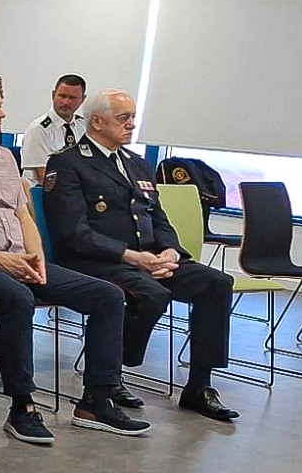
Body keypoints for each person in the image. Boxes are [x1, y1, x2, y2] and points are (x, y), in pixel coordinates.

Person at [0, 78, 150, 443]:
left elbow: (24, 216)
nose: (2, 114)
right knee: (18, 297)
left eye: (0, 106)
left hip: (19, 259)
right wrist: (0, 260)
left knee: (108, 295)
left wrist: (37, 259)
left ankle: (97, 400)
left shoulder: (4, 158)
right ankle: (22, 405)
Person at [44, 89, 240, 423]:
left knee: (216, 283)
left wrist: (170, 251)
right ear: (97, 122)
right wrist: (134, 257)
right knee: (151, 293)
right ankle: (112, 373)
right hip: (100, 262)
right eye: (124, 118)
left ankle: (199, 385)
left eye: (133, 117)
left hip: (149, 259)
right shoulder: (68, 163)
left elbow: (157, 218)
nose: (132, 124)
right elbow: (73, 233)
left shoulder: (136, 164)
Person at [20, 73, 89, 179]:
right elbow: (43, 177)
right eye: (62, 96)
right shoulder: (38, 129)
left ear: (82, 99)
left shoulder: (84, 126)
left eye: (72, 98)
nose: (66, 102)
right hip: (43, 188)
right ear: (53, 95)